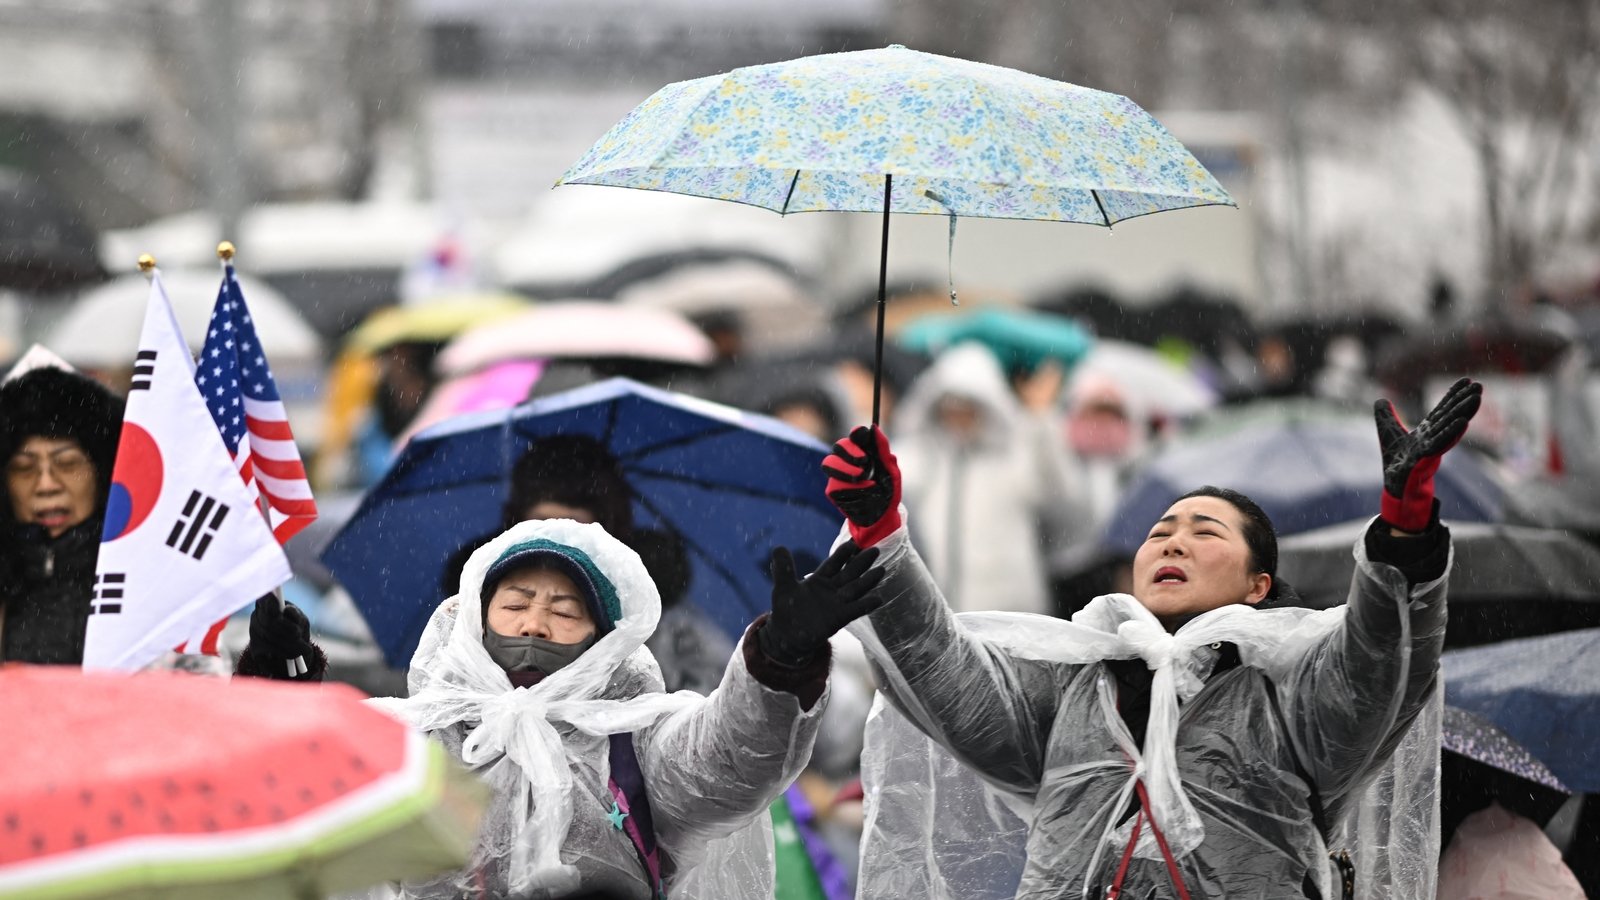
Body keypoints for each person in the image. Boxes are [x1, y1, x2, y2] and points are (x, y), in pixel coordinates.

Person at [819, 378, 1483, 898]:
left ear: (1259, 585)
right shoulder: (1073, 678)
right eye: (1162, 530)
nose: (1174, 540)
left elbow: (1378, 661)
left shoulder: (1288, 689)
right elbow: (943, 670)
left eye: (1206, 531)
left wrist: (1404, 523)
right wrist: (880, 532)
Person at [242, 517, 885, 899]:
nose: (536, 627)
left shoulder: (638, 739)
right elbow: (303, 786)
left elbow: (732, 759)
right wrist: (279, 693)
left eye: (564, 611)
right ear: (475, 618)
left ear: (605, 639)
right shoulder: (416, 737)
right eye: (516, 605)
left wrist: (781, 657)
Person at [888, 343, 1088, 616]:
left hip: (1007, 610)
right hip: (937, 607)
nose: (957, 416)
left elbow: (1061, 492)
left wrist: (1042, 418)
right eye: (950, 407)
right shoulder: (919, 457)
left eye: (968, 407)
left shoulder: (1014, 457)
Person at [0, 367, 123, 664]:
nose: (46, 485)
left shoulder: (144, 585)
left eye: (67, 464)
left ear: (102, 473)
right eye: (24, 468)